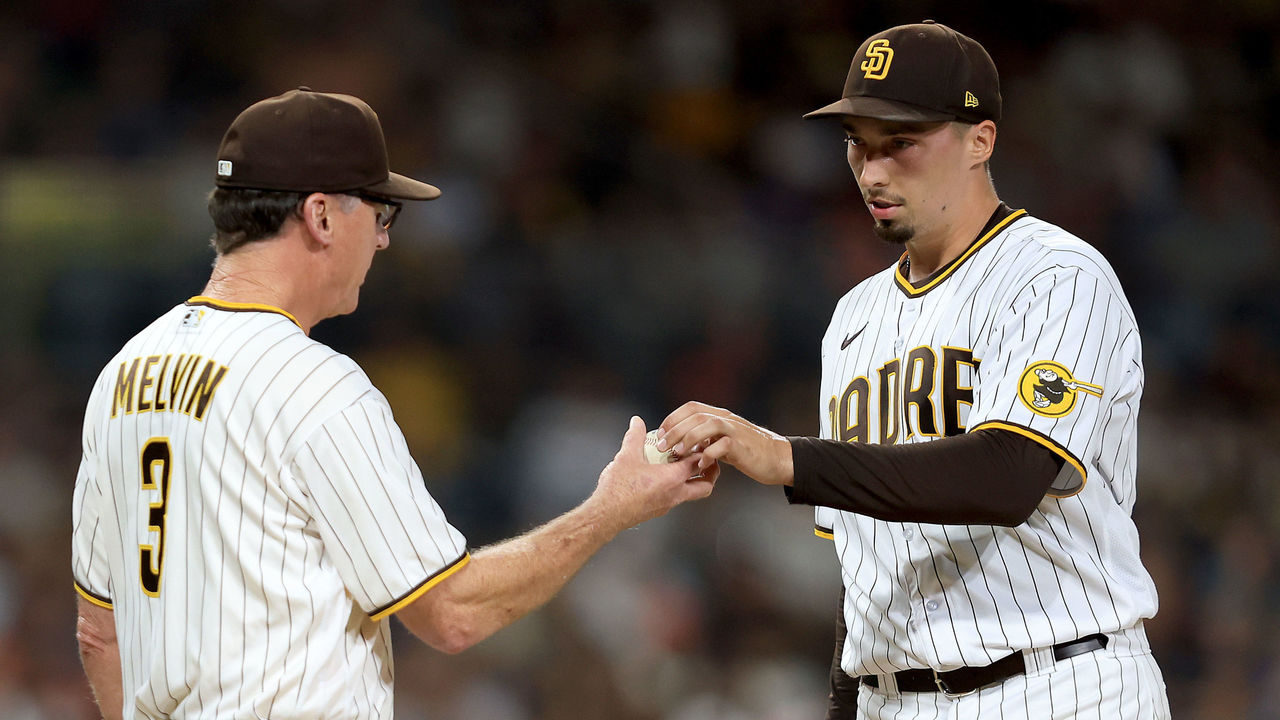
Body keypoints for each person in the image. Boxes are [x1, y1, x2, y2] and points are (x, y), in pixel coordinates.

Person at [71, 88, 716, 720]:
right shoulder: (311, 382)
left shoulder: (121, 375)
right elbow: (452, 613)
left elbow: (99, 634)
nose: (382, 241)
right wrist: (610, 509)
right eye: (379, 214)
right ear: (321, 216)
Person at [658, 21, 1170, 719]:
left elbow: (1009, 473)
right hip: (892, 699)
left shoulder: (1056, 276)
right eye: (858, 146)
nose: (872, 172)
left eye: (900, 144)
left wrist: (786, 458)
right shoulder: (853, 320)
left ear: (980, 140)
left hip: (1058, 683)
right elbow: (864, 568)